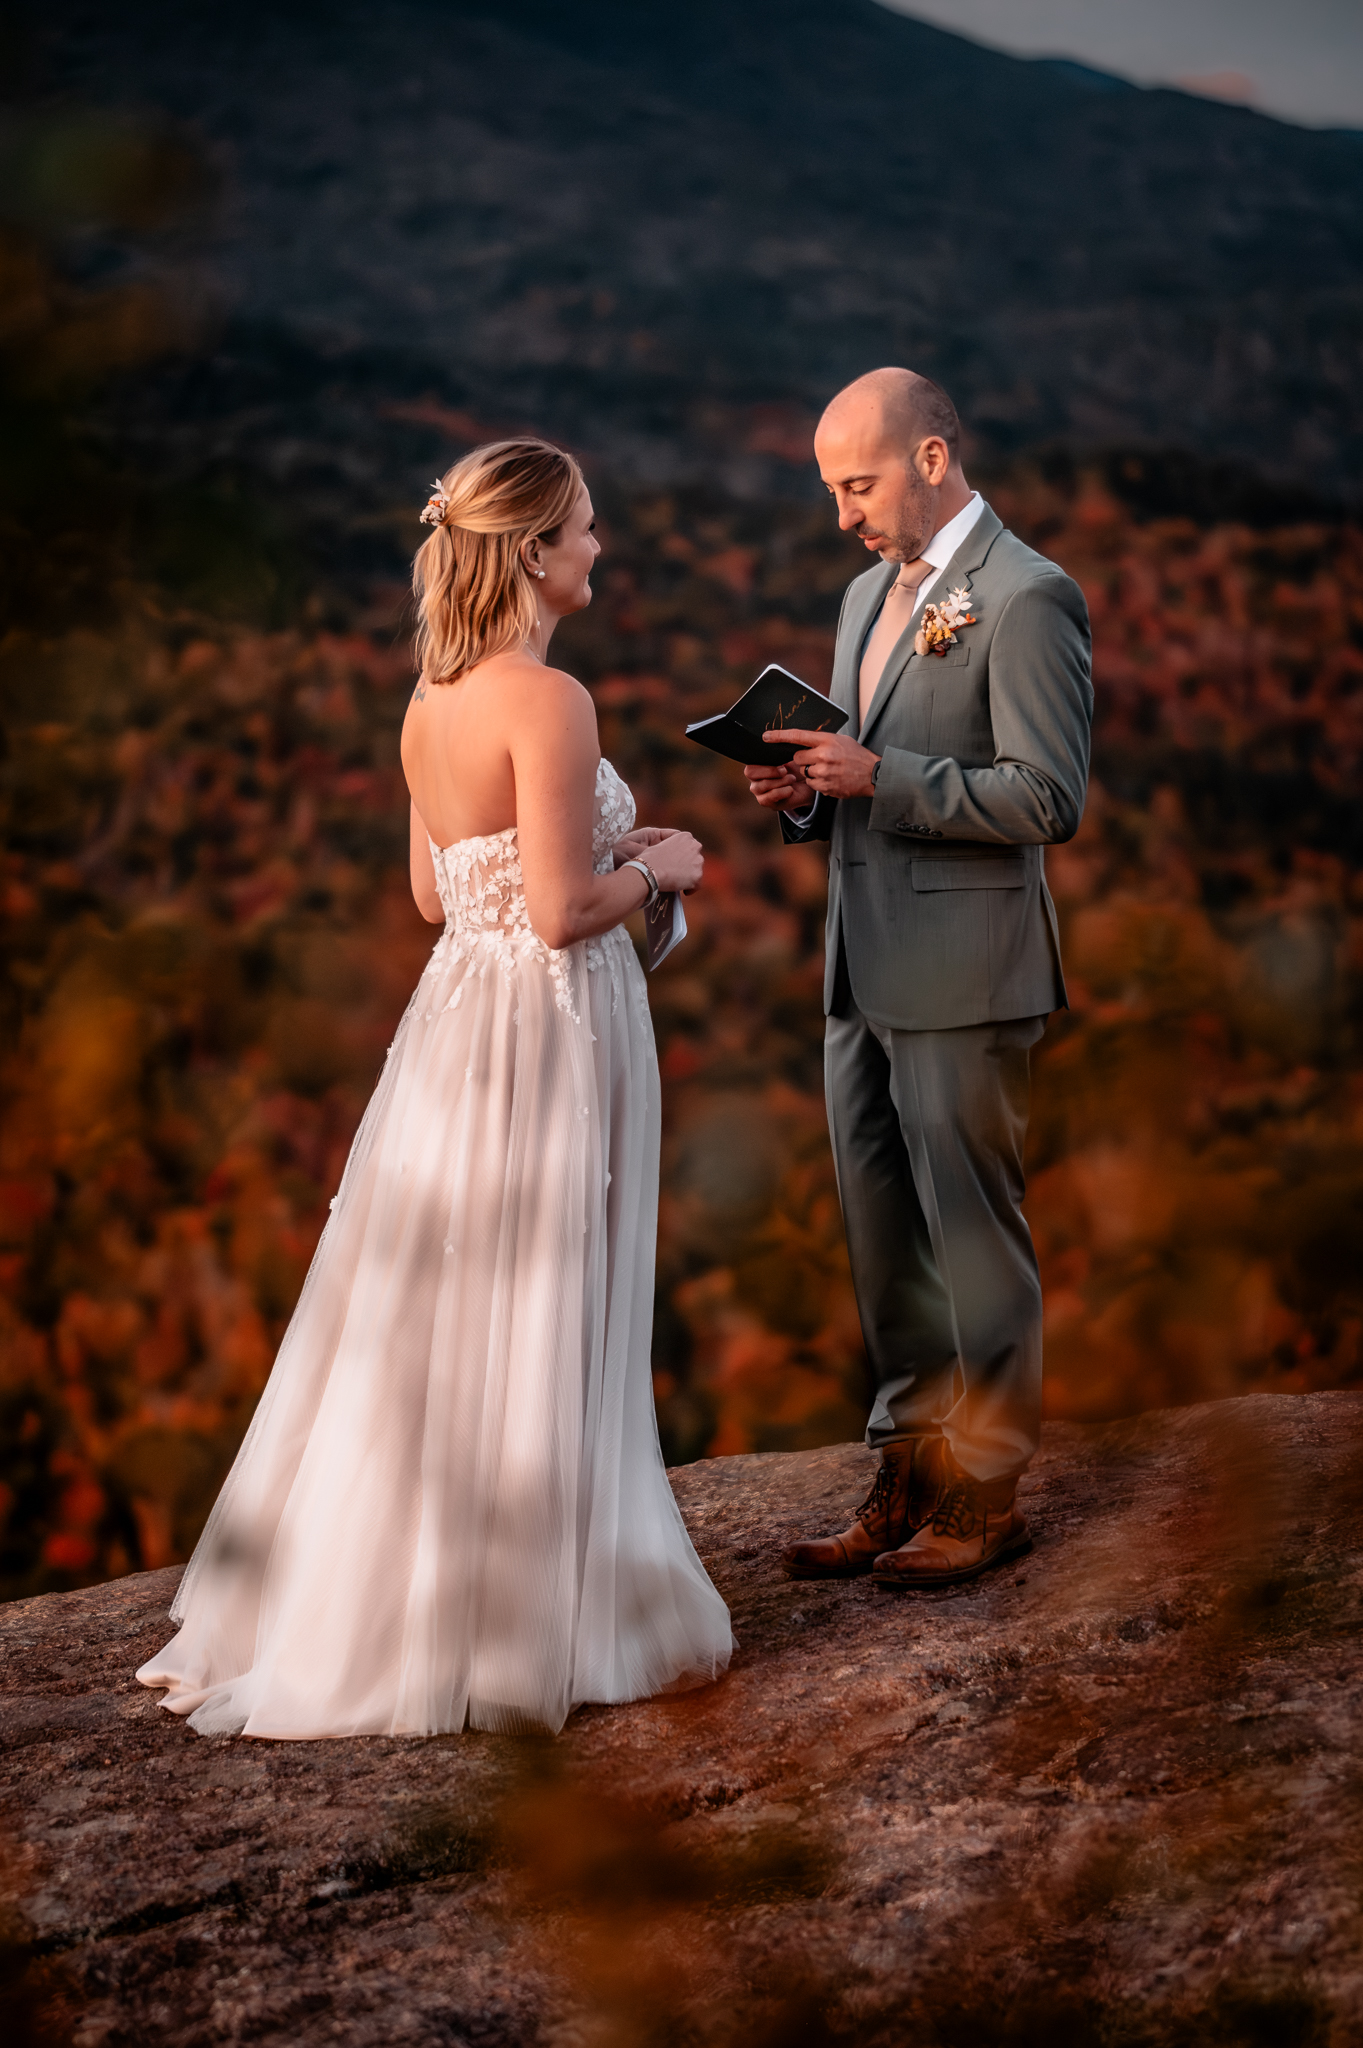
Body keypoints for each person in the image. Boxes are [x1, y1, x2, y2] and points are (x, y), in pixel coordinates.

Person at [138, 439, 732, 1736]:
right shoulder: (550, 700)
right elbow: (565, 908)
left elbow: (432, 896)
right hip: (550, 1035)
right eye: (583, 529)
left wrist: (588, 853)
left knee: (449, 1298)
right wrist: (665, 867)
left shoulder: (430, 697)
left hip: (459, 1026)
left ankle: (414, 1605)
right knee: (542, 1292)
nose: (599, 548)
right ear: (530, 551)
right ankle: (540, 1620)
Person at [745, 369, 1092, 1590]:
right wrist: (806, 795)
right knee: (882, 1232)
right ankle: (905, 1464)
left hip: (966, 970)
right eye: (831, 487)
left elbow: (1046, 797)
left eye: (858, 482)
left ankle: (989, 1486)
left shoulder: (1029, 596)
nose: (842, 511)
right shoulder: (858, 597)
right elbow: (861, 774)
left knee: (972, 1231)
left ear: (932, 458)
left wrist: (879, 776)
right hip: (861, 967)